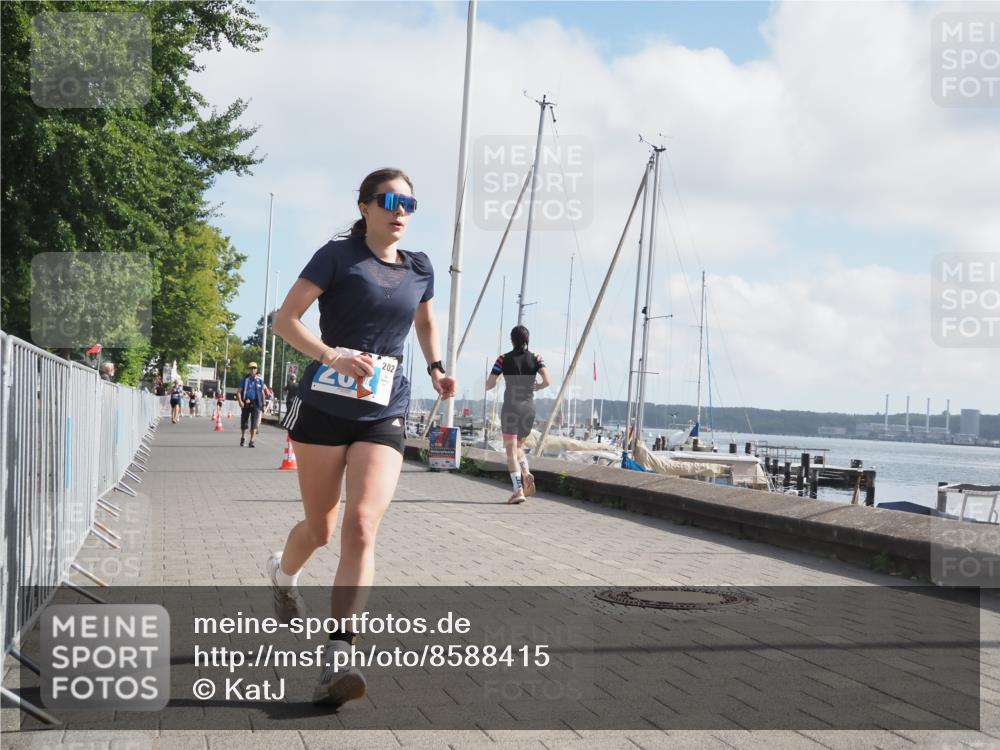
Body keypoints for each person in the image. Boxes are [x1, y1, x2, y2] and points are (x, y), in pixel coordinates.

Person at [271, 167, 456, 707]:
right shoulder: (337, 256)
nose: (400, 211)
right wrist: (332, 355)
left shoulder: (420, 268)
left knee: (360, 525)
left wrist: (436, 367)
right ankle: (283, 576)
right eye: (389, 200)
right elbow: (286, 321)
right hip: (323, 410)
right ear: (365, 207)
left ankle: (338, 655)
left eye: (409, 204)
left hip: (384, 410)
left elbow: (424, 323)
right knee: (321, 527)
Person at [485, 325, 550, 504]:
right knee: (519, 448)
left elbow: (489, 385)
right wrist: (539, 386)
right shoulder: (537, 358)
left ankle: (518, 490)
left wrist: (498, 377)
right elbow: (547, 380)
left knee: (510, 453)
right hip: (529, 409)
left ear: (512, 340)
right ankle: (526, 473)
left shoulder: (503, 359)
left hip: (511, 409)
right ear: (527, 340)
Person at [237, 363, 266, 447]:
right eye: (251, 368)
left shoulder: (260, 380)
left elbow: (263, 393)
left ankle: (252, 441)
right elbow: (238, 392)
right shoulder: (244, 380)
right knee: (244, 422)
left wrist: (263, 404)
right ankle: (242, 438)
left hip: (256, 403)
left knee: (254, 423)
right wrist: (240, 401)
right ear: (249, 369)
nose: (253, 369)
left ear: (256, 369)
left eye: (254, 368)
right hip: (246, 402)